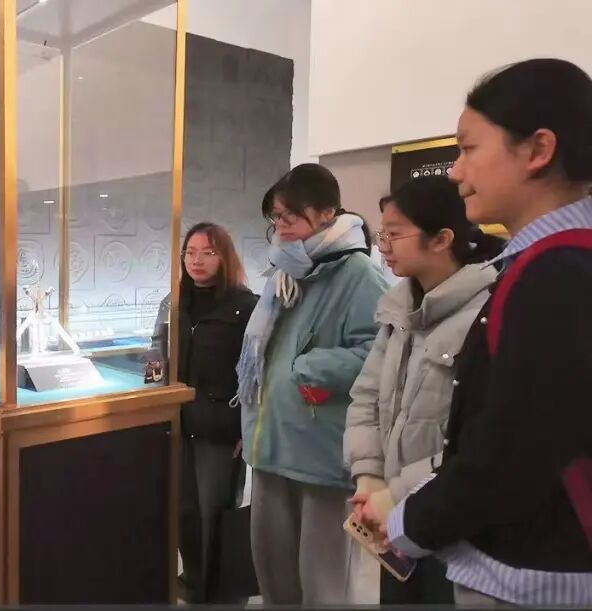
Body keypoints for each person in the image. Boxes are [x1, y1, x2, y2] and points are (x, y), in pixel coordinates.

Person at [363, 58, 592, 607]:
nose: (455, 171)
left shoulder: (557, 272)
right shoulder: (546, 265)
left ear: (538, 150)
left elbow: (511, 456)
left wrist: (406, 521)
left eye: (468, 148)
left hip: (533, 576)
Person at [344, 175, 505, 605]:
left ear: (441, 239)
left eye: (394, 234)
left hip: (452, 523)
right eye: (382, 234)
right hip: (390, 521)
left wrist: (395, 494)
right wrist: (369, 477)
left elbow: (477, 439)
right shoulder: (400, 309)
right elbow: (365, 397)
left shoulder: (489, 313)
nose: (383, 245)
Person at [236, 163, 388, 605]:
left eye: (291, 215)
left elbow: (381, 353)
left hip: (321, 456)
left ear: (325, 213)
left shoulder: (357, 273)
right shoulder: (285, 271)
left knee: (322, 586)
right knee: (275, 580)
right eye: (276, 217)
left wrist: (310, 367)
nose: (281, 226)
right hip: (271, 448)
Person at [152, 222, 258, 603]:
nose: (196, 260)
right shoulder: (174, 302)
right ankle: (195, 581)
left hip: (221, 429)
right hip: (177, 423)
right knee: (184, 511)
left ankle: (222, 594)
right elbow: (156, 353)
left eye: (208, 252)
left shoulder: (246, 306)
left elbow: (256, 374)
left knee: (216, 512)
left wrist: (246, 427)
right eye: (190, 252)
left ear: (224, 257)